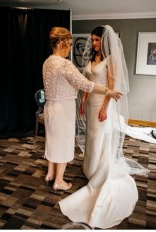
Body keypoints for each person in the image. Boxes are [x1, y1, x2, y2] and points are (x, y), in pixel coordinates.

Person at [58, 26, 139, 228]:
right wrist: (83, 101)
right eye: (92, 40)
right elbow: (88, 81)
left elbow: (111, 88)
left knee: (100, 137)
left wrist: (104, 108)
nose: (93, 43)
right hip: (90, 102)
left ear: (103, 41)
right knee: (91, 137)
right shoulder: (91, 60)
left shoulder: (110, 61)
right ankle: (89, 167)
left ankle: (98, 170)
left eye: (96, 40)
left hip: (103, 105)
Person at [41, 27, 122, 193]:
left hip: (50, 107)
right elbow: (86, 84)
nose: (71, 47)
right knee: (63, 143)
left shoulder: (47, 62)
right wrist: (109, 91)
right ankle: (59, 181)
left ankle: (50, 173)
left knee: (51, 140)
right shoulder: (64, 64)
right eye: (69, 44)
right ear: (62, 43)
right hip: (63, 109)